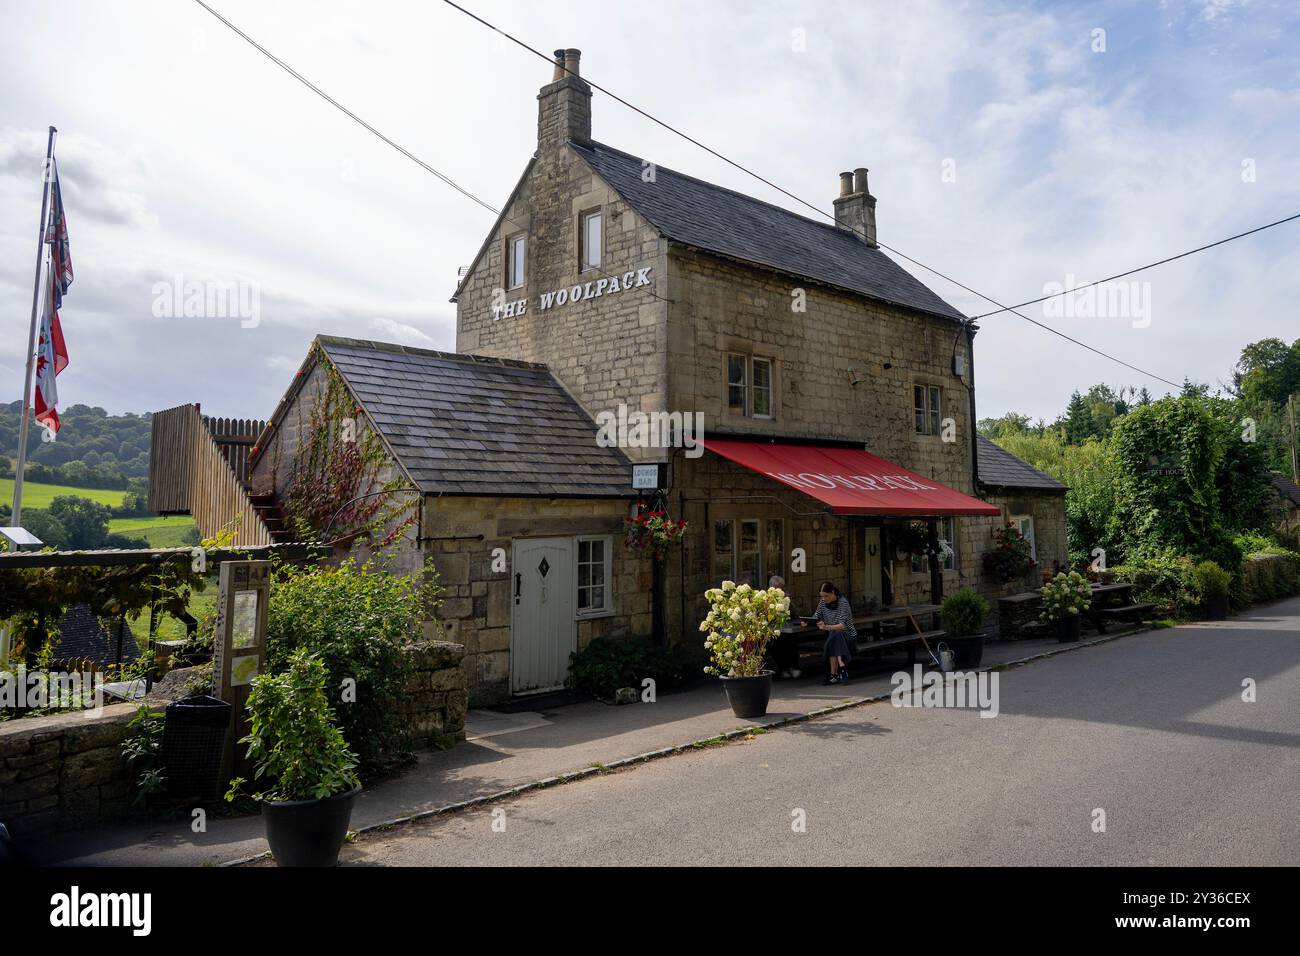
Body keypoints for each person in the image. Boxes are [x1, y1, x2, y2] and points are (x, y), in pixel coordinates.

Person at [814, 580, 856, 684]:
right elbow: (816, 615)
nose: (823, 599)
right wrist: (808, 621)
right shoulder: (823, 602)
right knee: (835, 635)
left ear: (833, 592)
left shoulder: (843, 603)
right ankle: (842, 668)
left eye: (826, 596)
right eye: (822, 596)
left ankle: (833, 675)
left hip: (848, 635)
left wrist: (826, 627)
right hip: (834, 637)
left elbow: (842, 626)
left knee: (836, 633)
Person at [766, 575, 802, 679]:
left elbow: (795, 615)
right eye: (780, 588)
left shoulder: (786, 598)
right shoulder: (767, 599)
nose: (782, 590)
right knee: (777, 643)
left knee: (792, 639)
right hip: (773, 631)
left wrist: (789, 603)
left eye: (783, 587)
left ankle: (792, 668)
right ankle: (784, 669)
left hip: (787, 629)